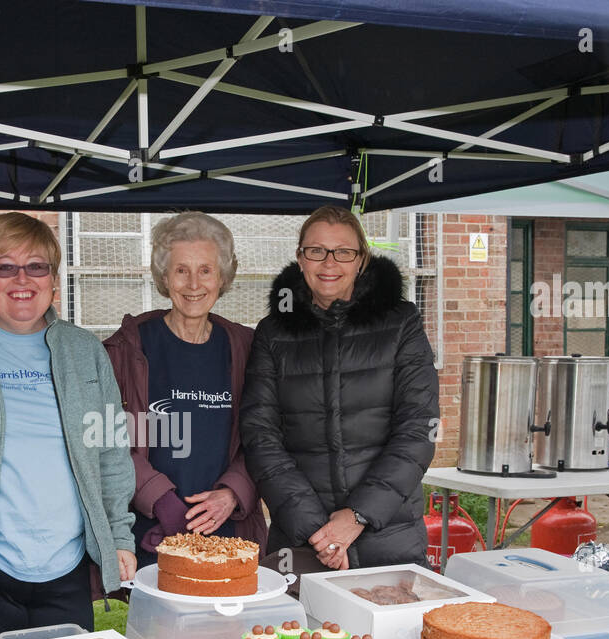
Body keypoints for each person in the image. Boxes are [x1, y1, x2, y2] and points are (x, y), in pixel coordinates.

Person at [0, 213, 136, 639]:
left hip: (65, 571)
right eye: (5, 266)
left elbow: (110, 451)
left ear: (53, 278)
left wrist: (120, 536)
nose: (21, 279)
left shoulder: (84, 350)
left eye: (36, 266)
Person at [241, 205, 439, 572]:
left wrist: (358, 516)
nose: (329, 263)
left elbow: (417, 429)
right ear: (300, 258)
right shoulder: (273, 332)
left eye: (343, 252)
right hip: (302, 541)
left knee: (387, 629)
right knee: (301, 631)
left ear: (361, 259)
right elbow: (260, 435)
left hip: (389, 536)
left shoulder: (401, 323)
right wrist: (320, 531)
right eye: (316, 251)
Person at [103, 211, 267, 568]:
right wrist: (162, 501)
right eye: (181, 270)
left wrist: (232, 493)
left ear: (222, 276)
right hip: (150, 538)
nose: (194, 284)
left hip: (229, 539)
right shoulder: (124, 349)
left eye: (206, 270)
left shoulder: (247, 348)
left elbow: (266, 439)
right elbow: (104, 440)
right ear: (164, 276)